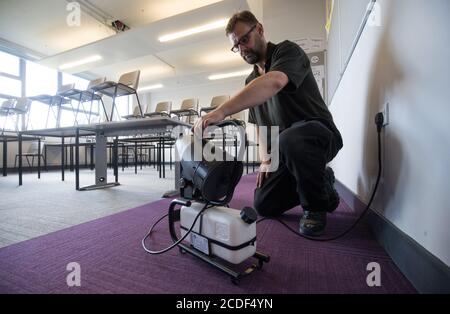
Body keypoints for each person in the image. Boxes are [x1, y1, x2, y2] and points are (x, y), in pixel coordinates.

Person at [193, 11, 343, 236]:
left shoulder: (287, 51)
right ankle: (322, 183)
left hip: (318, 136)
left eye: (245, 40)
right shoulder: (250, 82)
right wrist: (265, 161)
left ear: (260, 30)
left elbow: (274, 82)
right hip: (287, 150)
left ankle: (315, 208)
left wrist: (222, 111)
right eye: (237, 46)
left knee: (291, 138)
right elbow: (262, 127)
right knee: (263, 203)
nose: (242, 49)